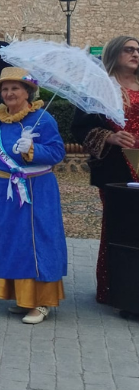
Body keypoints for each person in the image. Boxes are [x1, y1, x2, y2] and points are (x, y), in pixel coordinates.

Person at [0, 68, 67, 324]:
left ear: (28, 92)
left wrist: (34, 149)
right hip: (6, 193)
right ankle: (23, 298)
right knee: (12, 242)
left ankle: (42, 301)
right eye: (5, 89)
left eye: (15, 88)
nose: (9, 93)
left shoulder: (43, 119)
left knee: (37, 242)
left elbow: (57, 152)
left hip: (36, 191)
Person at [72, 35, 139, 305]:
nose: (135, 54)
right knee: (119, 226)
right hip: (116, 169)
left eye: (138, 50)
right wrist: (109, 137)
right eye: (129, 50)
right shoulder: (100, 88)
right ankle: (116, 289)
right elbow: (79, 128)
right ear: (114, 53)